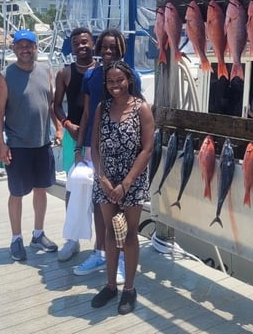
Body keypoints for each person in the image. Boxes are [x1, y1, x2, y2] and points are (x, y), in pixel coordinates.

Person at [74, 28, 142, 282]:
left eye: (113, 47)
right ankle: (101, 252)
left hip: (123, 149)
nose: (108, 51)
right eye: (104, 46)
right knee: (101, 205)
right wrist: (79, 146)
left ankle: (123, 258)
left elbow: (137, 109)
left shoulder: (130, 74)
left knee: (122, 206)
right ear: (98, 48)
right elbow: (87, 114)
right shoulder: (90, 75)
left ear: (121, 49)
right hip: (96, 146)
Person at [90, 60, 154, 315]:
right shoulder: (101, 108)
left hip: (132, 180)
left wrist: (125, 184)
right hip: (106, 179)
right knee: (108, 231)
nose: (115, 85)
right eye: (110, 81)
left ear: (129, 80)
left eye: (120, 80)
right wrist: (102, 178)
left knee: (129, 234)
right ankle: (109, 285)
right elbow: (94, 146)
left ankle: (129, 289)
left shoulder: (142, 109)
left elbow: (147, 149)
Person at [0, 29, 58, 261]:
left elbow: (50, 106)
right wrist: (1, 144)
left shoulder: (46, 71)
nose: (25, 49)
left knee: (42, 190)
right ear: (14, 49)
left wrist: (58, 127)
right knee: (17, 193)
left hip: (42, 143)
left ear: (35, 48)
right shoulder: (5, 75)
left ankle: (38, 233)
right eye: (20, 45)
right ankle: (16, 238)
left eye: (29, 45)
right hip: (18, 145)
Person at [53, 27, 97, 262]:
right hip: (73, 136)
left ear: (92, 43)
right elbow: (57, 105)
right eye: (76, 44)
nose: (81, 47)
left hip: (97, 137)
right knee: (72, 188)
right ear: (71, 48)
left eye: (85, 42)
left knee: (98, 189)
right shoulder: (64, 73)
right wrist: (67, 124)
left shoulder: (102, 71)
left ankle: (101, 242)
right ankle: (72, 239)